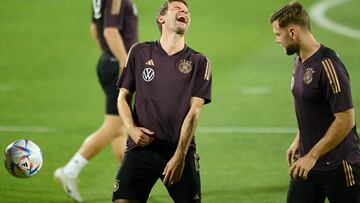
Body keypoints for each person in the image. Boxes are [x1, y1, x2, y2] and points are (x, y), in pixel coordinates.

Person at [113, 0, 212, 202]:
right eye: (177, 9)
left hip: (178, 150)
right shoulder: (139, 52)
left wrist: (180, 156)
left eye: (187, 11)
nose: (184, 11)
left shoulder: (199, 61)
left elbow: (194, 112)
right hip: (140, 149)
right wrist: (131, 129)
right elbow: (123, 97)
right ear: (161, 18)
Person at [270, 2, 360, 203]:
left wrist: (311, 156)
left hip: (339, 165)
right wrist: (300, 138)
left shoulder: (328, 66)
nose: (277, 40)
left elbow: (346, 119)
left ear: (293, 32)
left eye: (278, 34)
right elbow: (314, 107)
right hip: (307, 163)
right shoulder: (299, 60)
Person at [54, 0, 138, 202]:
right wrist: (123, 63)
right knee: (113, 126)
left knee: (119, 129)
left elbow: (94, 28)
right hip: (118, 67)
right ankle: (70, 170)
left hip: (108, 63)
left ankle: (129, 182)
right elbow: (109, 31)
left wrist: (108, 55)